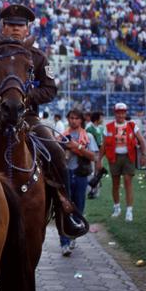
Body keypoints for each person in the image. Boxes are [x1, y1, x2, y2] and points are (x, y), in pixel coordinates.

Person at [0, 3, 88, 238]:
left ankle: (65, 211)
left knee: (55, 152)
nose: (15, 30)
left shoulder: (38, 57)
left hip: (26, 116)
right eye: (11, 25)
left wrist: (21, 97)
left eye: (20, 26)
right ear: (3, 27)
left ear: (27, 30)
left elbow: (50, 89)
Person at [99, 103, 146, 222]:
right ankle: (117, 208)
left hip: (128, 157)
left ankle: (129, 211)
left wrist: (144, 155)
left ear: (125, 113)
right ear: (115, 113)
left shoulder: (132, 125)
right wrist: (99, 160)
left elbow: (142, 141)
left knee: (127, 182)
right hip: (114, 157)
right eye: (118, 112)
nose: (121, 114)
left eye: (123, 112)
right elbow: (104, 145)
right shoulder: (108, 127)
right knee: (115, 183)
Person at [59, 109, 98, 256]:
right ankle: (64, 242)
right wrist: (66, 149)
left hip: (81, 174)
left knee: (78, 207)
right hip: (66, 174)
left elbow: (93, 156)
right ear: (68, 119)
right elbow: (57, 155)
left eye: (76, 118)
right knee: (64, 207)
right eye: (71, 118)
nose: (73, 120)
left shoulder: (87, 136)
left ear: (81, 120)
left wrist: (77, 147)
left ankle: (73, 234)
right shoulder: (62, 136)